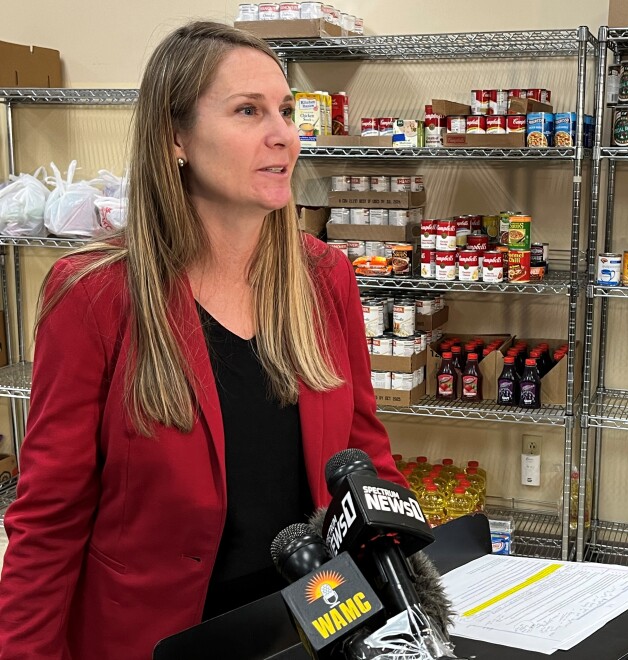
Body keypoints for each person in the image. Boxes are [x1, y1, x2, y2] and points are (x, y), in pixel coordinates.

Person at [0, 21, 405, 659]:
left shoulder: (323, 277)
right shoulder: (96, 295)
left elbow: (364, 455)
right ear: (175, 137)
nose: (283, 135)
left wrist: (407, 598)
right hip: (158, 638)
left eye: (286, 111)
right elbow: (49, 517)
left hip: (313, 622)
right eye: (249, 111)